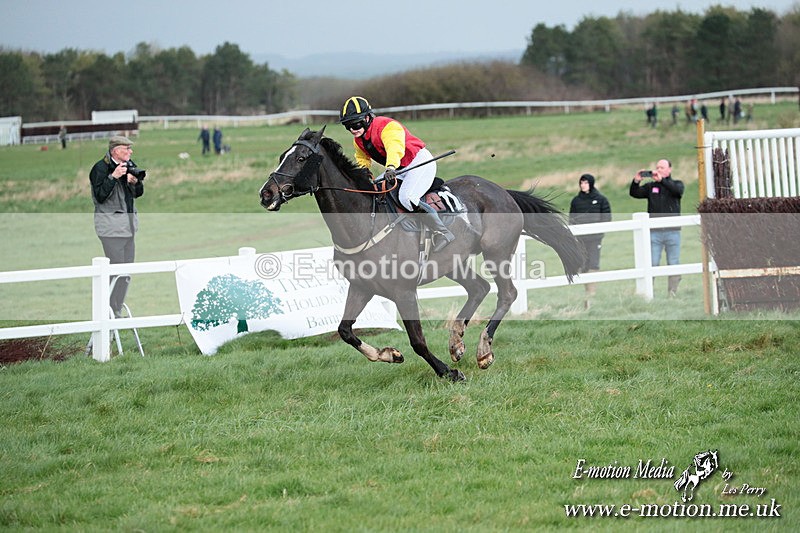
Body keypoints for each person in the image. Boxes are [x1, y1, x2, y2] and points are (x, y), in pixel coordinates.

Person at [338, 96, 454, 252]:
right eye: (348, 126)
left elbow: (394, 147)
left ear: (367, 117)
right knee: (374, 191)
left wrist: (390, 167)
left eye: (356, 123)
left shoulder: (387, 126)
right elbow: (362, 158)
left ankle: (442, 232)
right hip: (398, 168)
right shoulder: (358, 140)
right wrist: (363, 174)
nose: (353, 129)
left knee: (407, 198)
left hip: (418, 162)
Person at [89, 135, 145, 316]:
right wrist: (113, 177)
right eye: (126, 148)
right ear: (115, 150)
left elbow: (138, 194)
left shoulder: (129, 164)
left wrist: (135, 182)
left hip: (128, 227)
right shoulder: (100, 168)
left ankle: (116, 308)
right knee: (115, 271)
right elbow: (99, 196)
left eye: (130, 149)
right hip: (110, 228)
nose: (130, 151)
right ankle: (108, 310)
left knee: (126, 272)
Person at [629, 159, 685, 297]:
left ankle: (673, 293)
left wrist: (662, 181)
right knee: (652, 263)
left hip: (673, 232)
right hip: (654, 233)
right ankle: (649, 292)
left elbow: (677, 192)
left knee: (673, 262)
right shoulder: (651, 187)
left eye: (662, 167)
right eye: (657, 167)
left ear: (669, 169)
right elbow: (634, 193)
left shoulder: (676, 184)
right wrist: (636, 181)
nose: (659, 169)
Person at [569, 174, 612, 306]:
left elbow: (607, 217)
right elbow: (572, 219)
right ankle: (587, 293)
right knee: (584, 265)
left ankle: (591, 295)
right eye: (581, 183)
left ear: (591, 184)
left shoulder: (601, 199)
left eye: (586, 183)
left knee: (594, 264)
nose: (583, 185)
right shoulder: (576, 201)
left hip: (595, 239)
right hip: (581, 240)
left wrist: (599, 231)